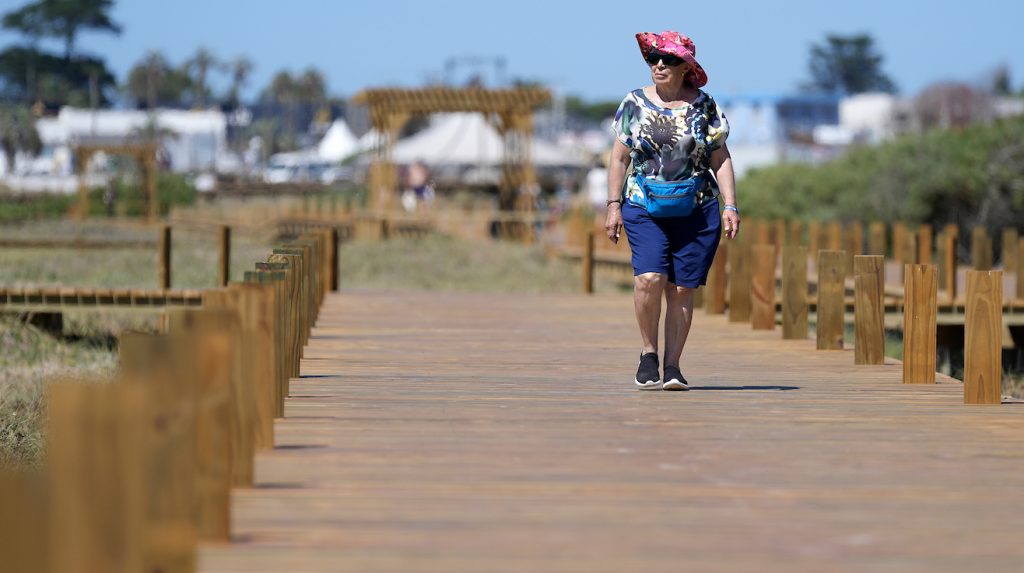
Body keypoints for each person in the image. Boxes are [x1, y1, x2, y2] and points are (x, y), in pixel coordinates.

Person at [605, 30, 740, 391]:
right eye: (654, 59)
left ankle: (674, 366)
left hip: (697, 208)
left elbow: (720, 158)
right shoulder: (634, 103)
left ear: (686, 67)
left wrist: (730, 205)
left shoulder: (704, 106)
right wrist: (613, 205)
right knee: (649, 278)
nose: (660, 65)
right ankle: (648, 354)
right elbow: (618, 159)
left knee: (682, 289)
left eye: (669, 60)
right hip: (642, 204)